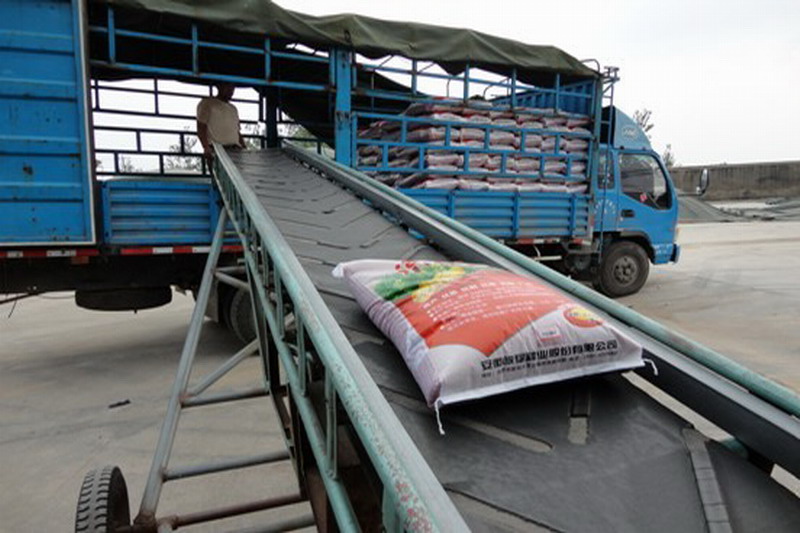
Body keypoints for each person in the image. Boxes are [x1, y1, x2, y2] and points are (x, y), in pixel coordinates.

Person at [196, 82, 246, 165]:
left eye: (232, 88)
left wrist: (244, 148)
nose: (231, 90)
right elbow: (201, 127)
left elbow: (237, 131)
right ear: (219, 86)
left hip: (236, 150)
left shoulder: (233, 108)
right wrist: (206, 147)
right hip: (218, 150)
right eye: (228, 87)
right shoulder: (207, 103)